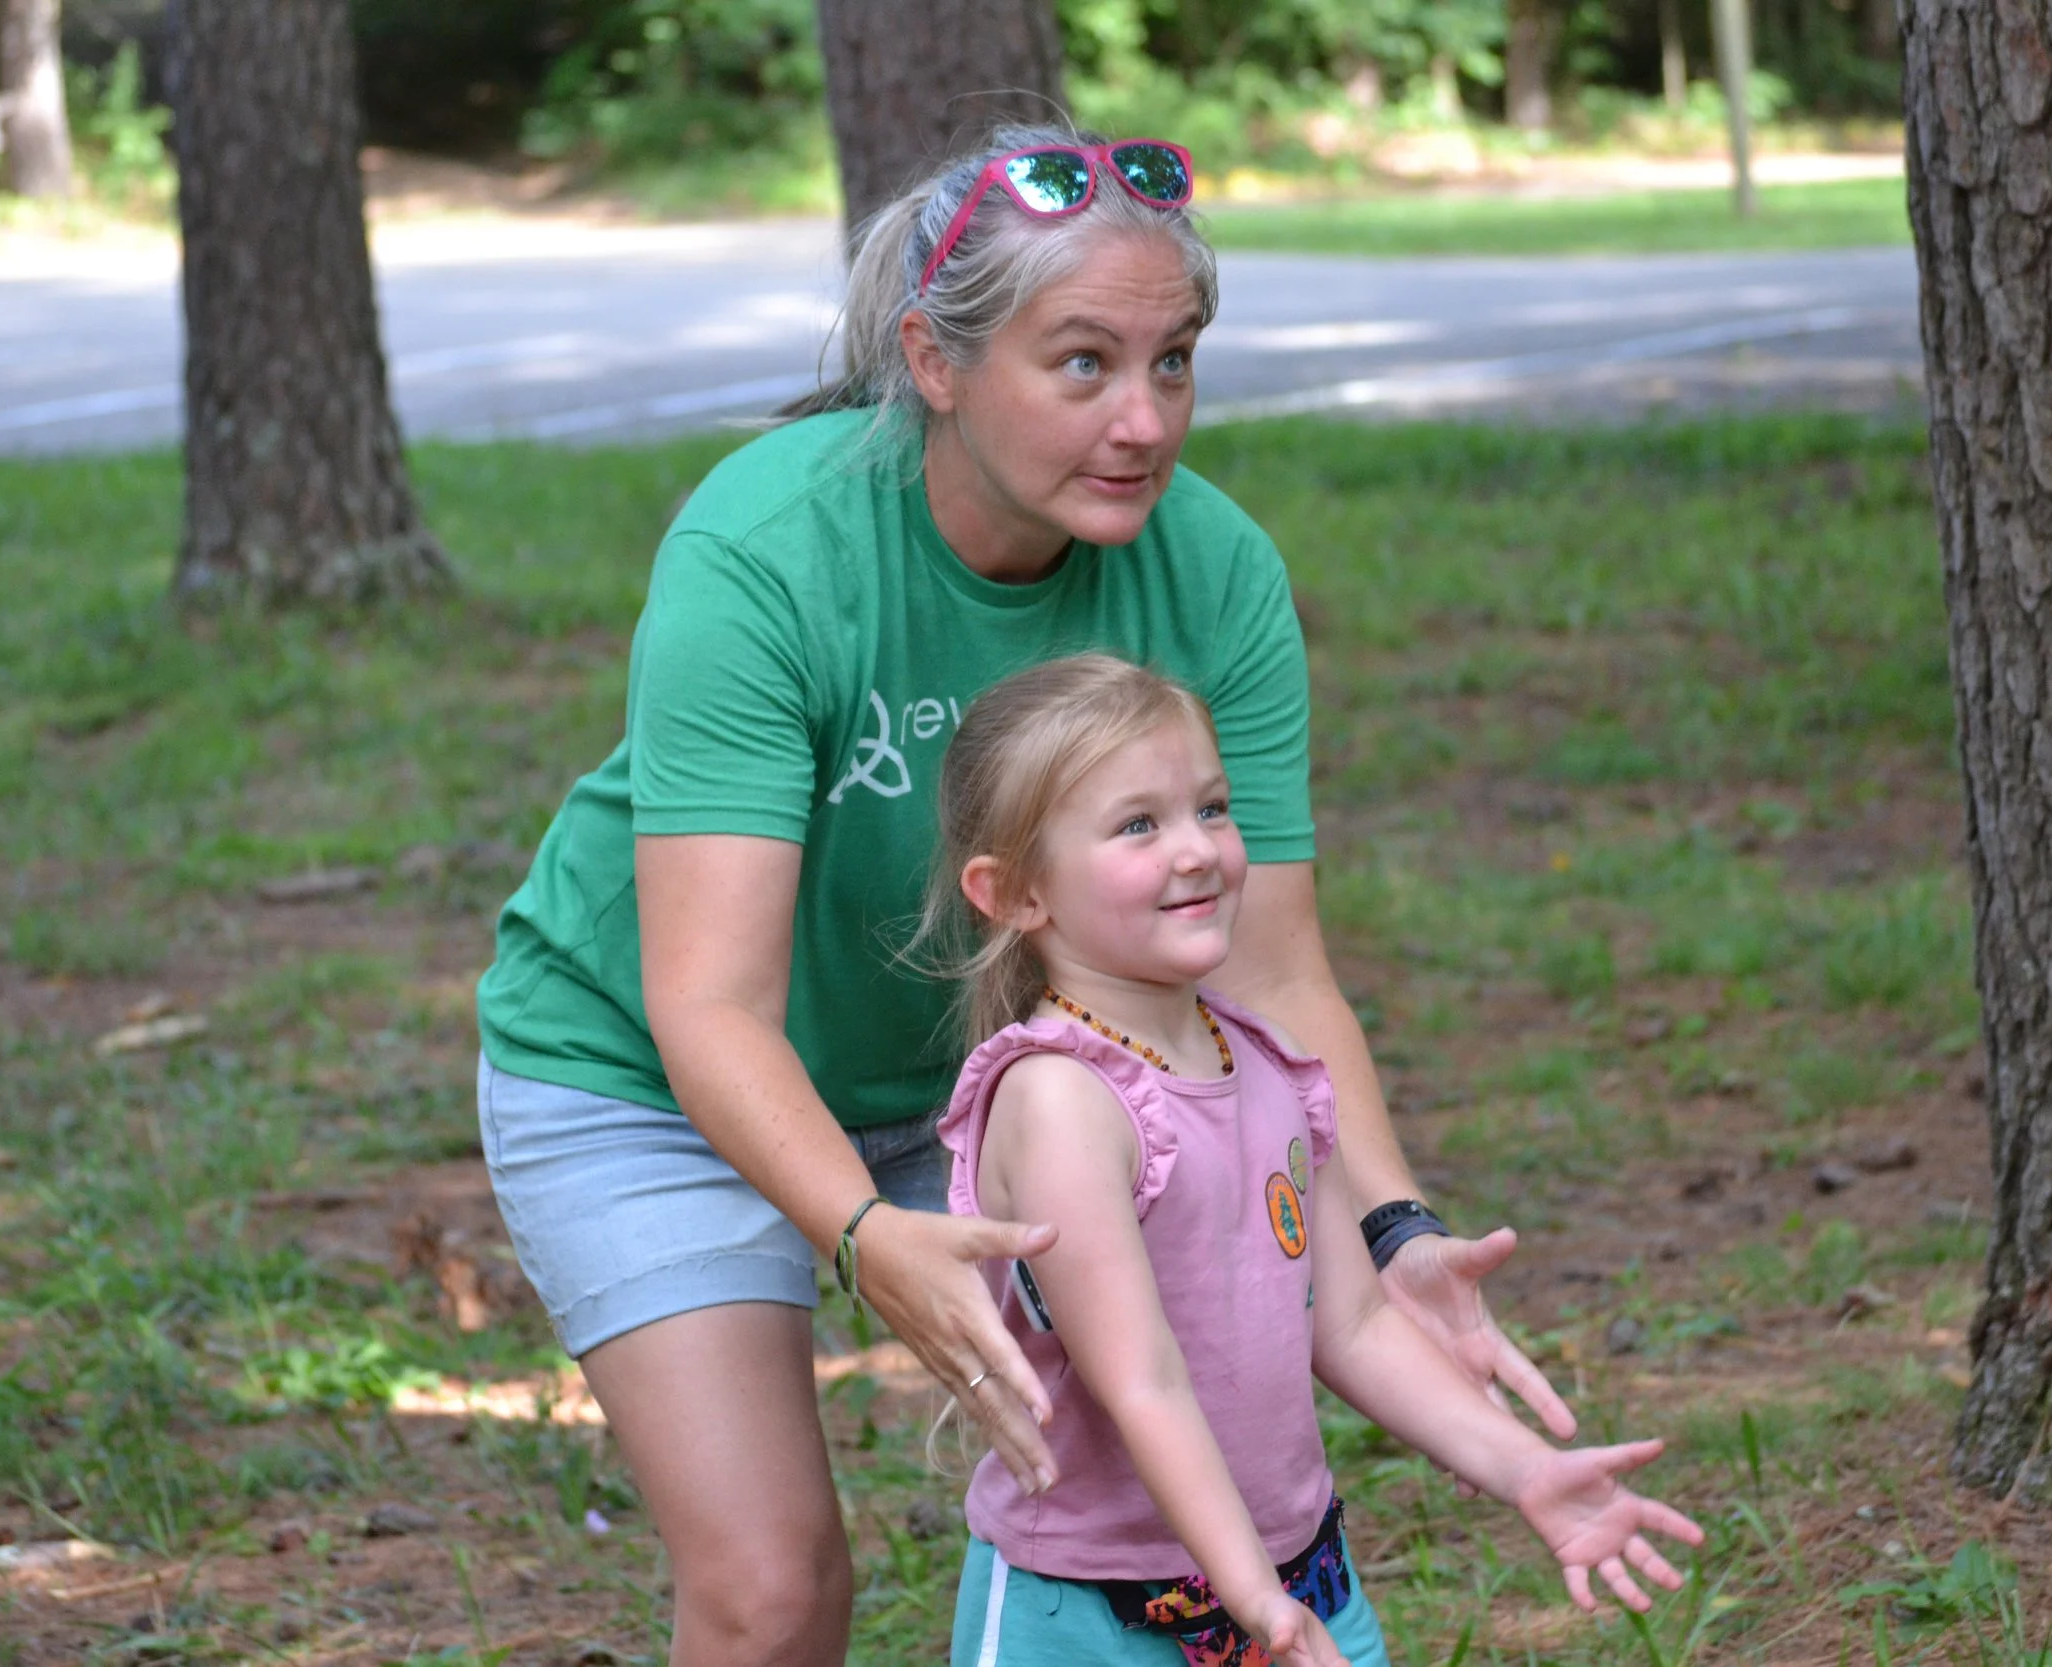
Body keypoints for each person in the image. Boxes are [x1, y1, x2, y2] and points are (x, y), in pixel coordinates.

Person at [475, 124, 1573, 1667]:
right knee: (774, 1586)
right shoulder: (768, 547)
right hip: (651, 1072)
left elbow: (1275, 970)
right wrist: (866, 1231)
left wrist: (1392, 1224)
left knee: (1184, 1501)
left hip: (1014, 1078)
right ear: (933, 358)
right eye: (1082, 365)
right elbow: (705, 996)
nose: (1143, 421)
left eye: (1174, 362)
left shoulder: (1216, 571)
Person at [928, 656, 1702, 1667]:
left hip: (1301, 1583)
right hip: (1088, 1613)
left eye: (1210, 807)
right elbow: (1142, 1379)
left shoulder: (1267, 1062)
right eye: (1138, 825)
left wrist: (1521, 1467)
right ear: (1014, 891)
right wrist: (1249, 1597)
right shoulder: (1060, 1096)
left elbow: (1357, 1320)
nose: (1197, 849)